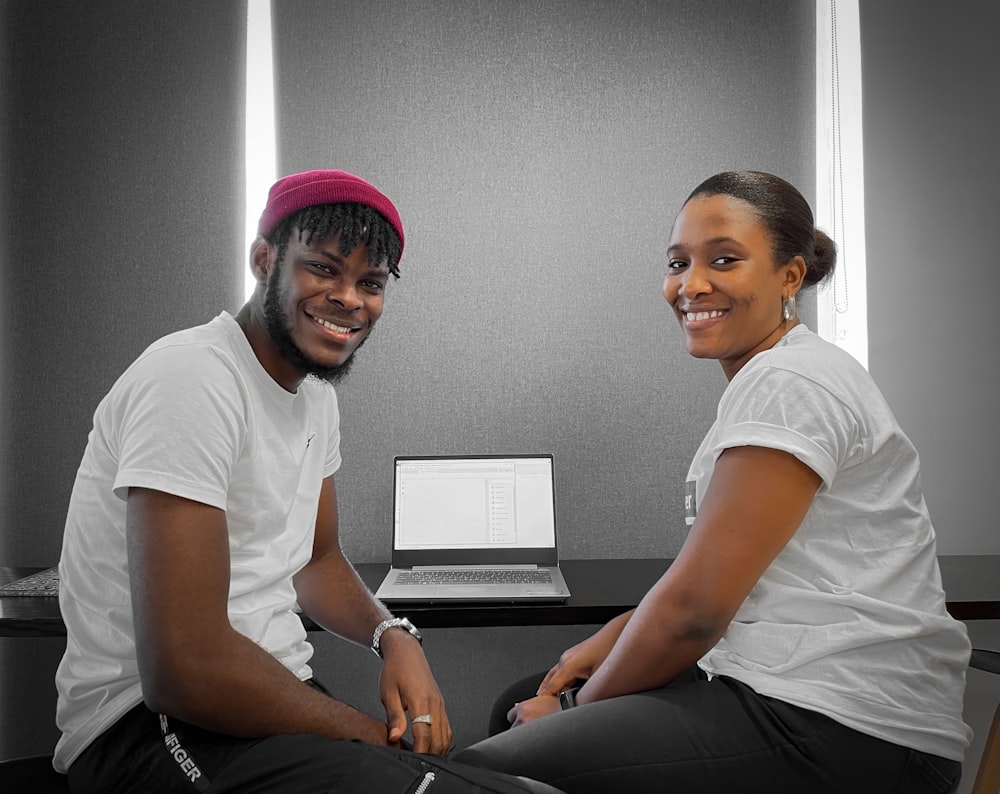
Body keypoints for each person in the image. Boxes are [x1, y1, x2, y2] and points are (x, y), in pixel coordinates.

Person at [453, 171, 972, 793]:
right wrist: (610, 640)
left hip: (847, 724)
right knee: (518, 699)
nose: (691, 285)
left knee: (486, 771)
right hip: (786, 685)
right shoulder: (784, 373)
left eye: (723, 260)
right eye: (678, 263)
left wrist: (573, 709)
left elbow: (696, 611)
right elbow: (722, 584)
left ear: (790, 276)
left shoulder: (790, 385)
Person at [53, 169, 562, 794]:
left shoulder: (315, 399)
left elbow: (316, 561)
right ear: (264, 259)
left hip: (265, 704)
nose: (350, 298)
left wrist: (393, 637)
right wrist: (366, 735)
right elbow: (184, 669)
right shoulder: (192, 379)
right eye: (323, 268)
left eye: (370, 283)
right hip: (148, 727)